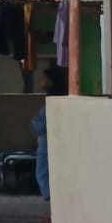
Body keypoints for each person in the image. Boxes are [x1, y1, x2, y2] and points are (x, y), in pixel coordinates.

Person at [32, 65, 66, 202]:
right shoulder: (60, 101)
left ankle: (50, 197)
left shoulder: (50, 105)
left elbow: (42, 127)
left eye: (44, 78)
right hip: (55, 144)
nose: (41, 81)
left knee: (42, 174)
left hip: (45, 145)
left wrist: (34, 122)